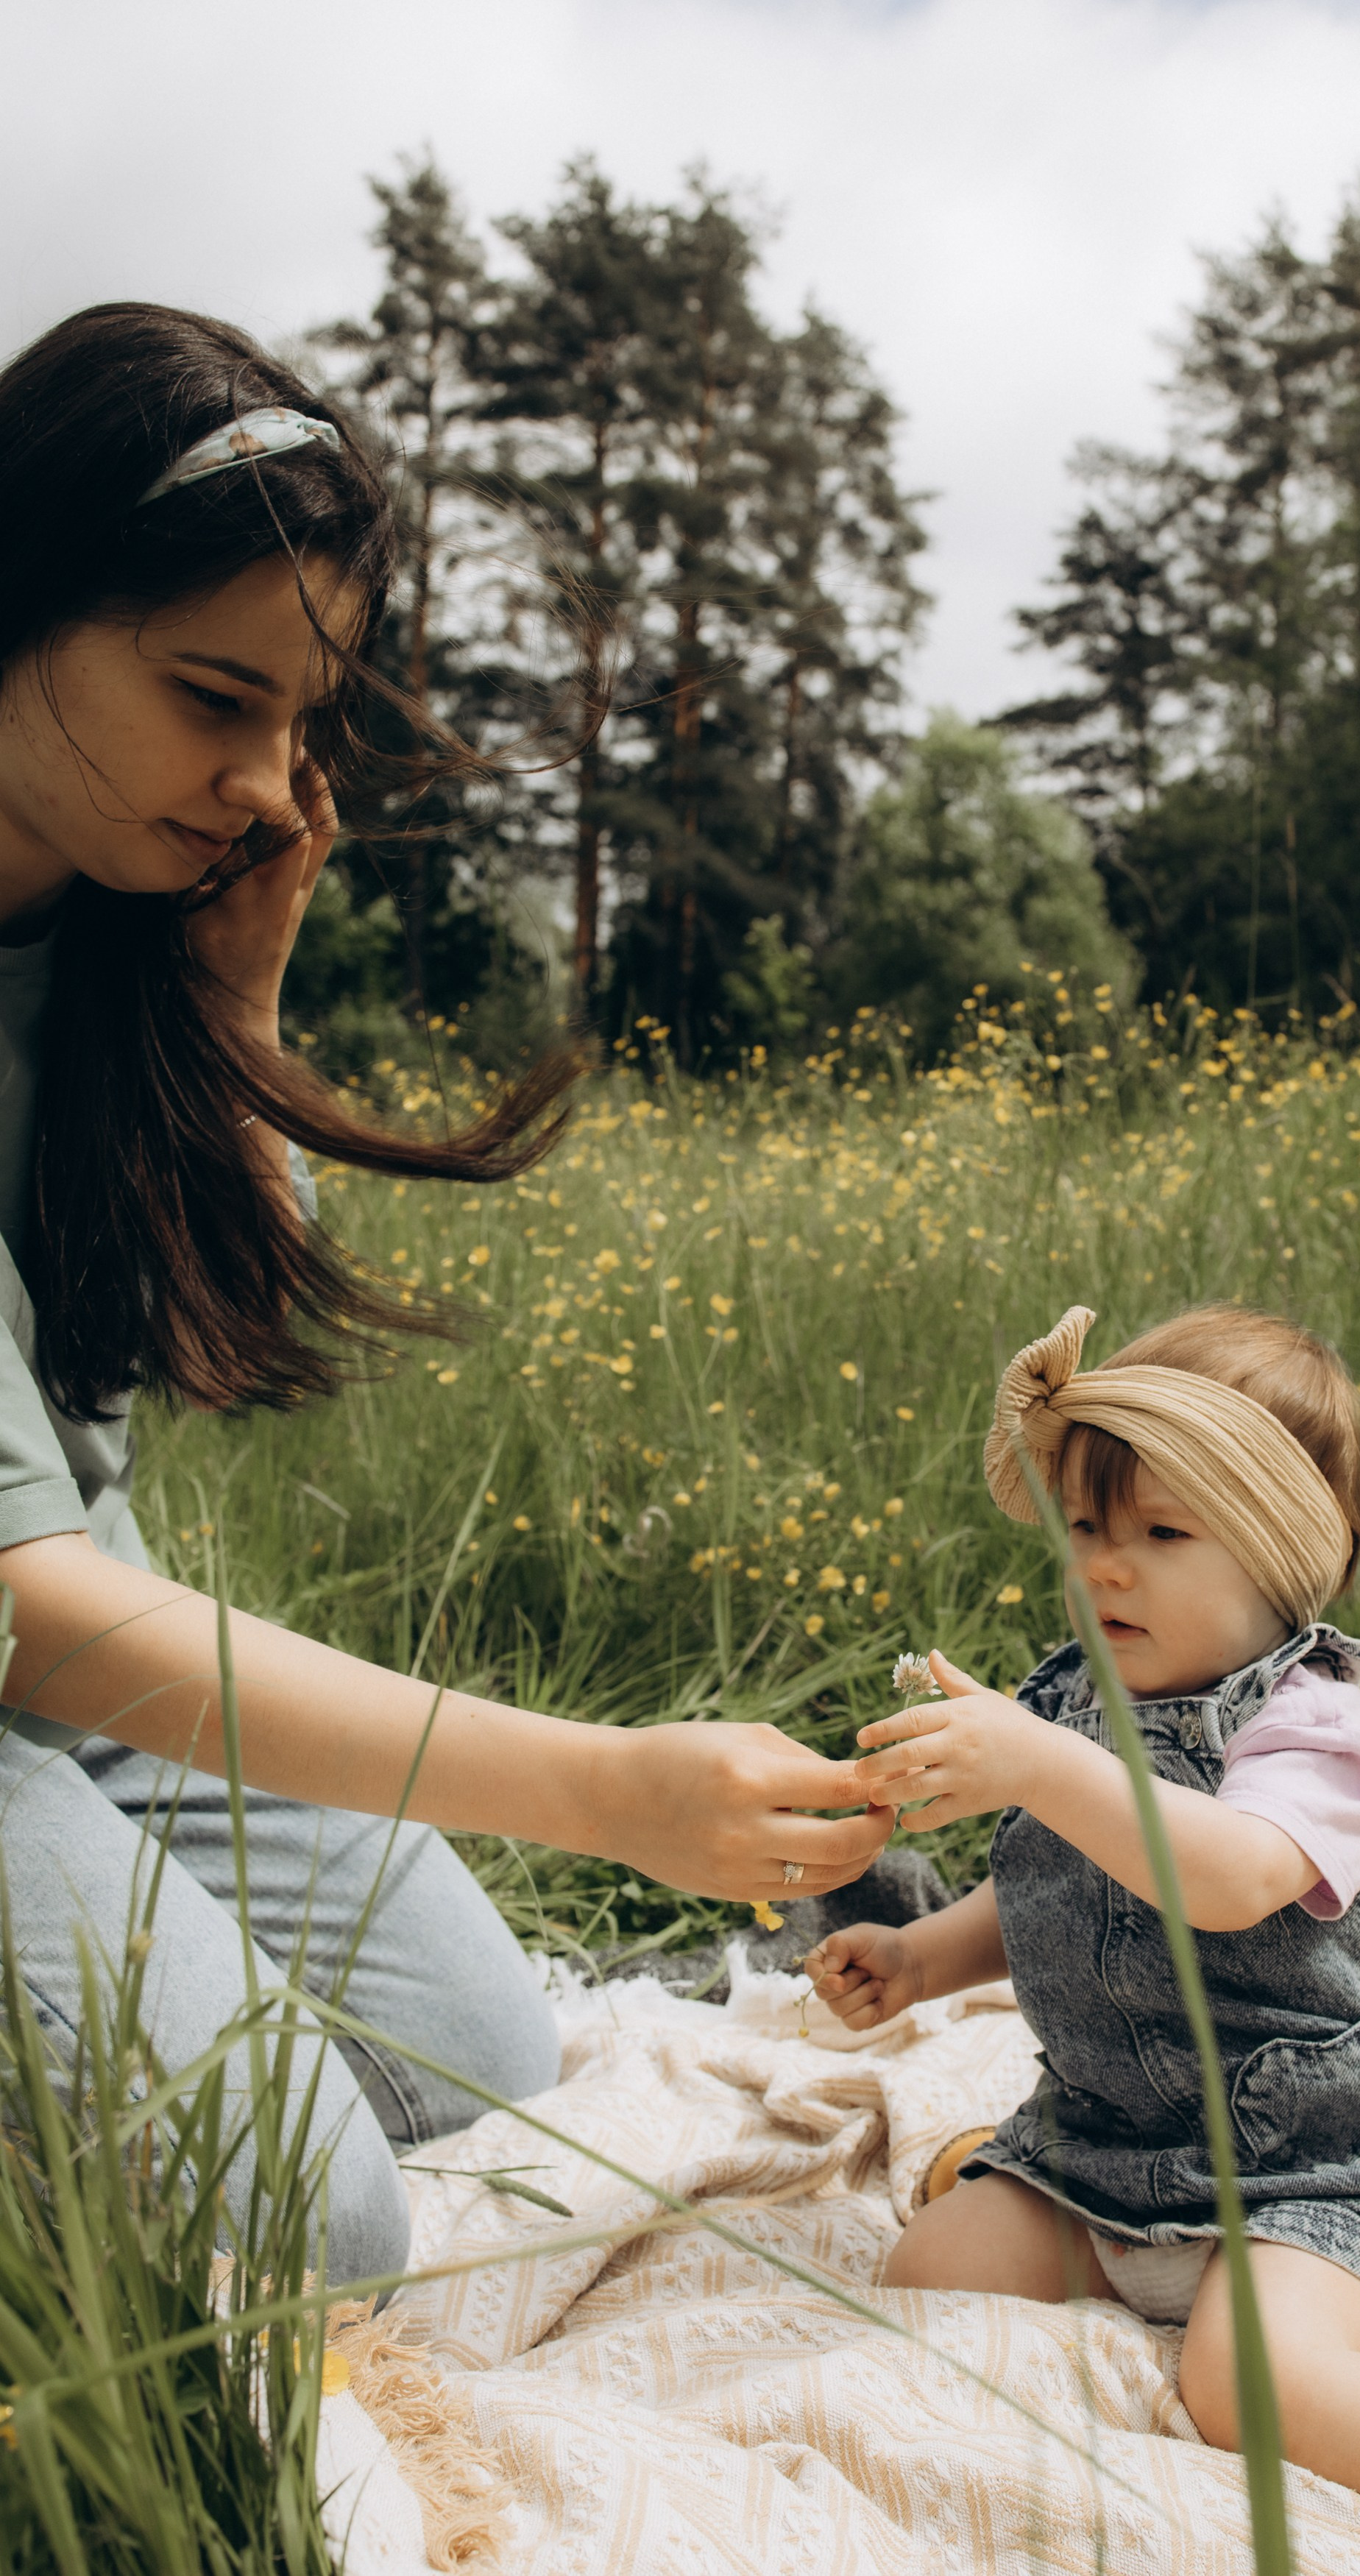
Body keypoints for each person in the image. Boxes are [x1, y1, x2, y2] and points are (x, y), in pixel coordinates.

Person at [0, 302, 887, 2283]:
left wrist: (239, 997)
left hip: (75, 1701)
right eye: (212, 694)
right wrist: (605, 1788)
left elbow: (169, 1356)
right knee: (306, 2213)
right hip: (29, 1663)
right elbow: (25, 1601)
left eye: (297, 719)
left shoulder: (116, 927)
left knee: (476, 2053)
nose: (260, 779)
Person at [808, 1303, 1360, 2575]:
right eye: (1083, 1530)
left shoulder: (1310, 1731)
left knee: (1251, 2381)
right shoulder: (1073, 1698)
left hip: (1311, 2166)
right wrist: (922, 1959)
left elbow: (1224, 1879)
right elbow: (1059, 1885)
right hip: (1112, 2146)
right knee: (926, 2270)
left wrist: (1042, 1763)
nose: (1105, 1571)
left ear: (1298, 1555)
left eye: (1163, 1535)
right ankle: (1005, 2168)